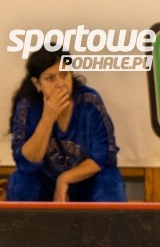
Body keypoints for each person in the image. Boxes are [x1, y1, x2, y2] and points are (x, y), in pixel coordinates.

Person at [7, 47, 126, 202]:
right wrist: (47, 119)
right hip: (45, 183)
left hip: (84, 180)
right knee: (21, 182)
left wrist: (64, 179)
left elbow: (105, 156)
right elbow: (25, 163)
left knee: (109, 179)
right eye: (50, 78)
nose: (60, 84)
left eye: (64, 75)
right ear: (37, 84)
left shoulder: (89, 101)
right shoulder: (28, 105)